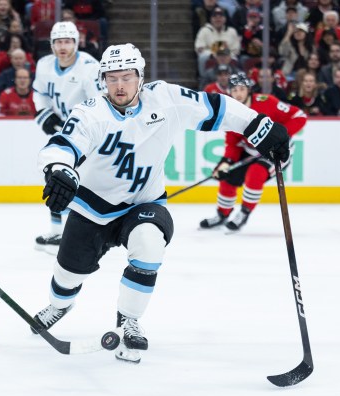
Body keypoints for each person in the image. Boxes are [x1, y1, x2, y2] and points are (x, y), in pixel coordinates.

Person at [31, 44, 291, 363]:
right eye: (112, 78)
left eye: (127, 77)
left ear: (141, 77)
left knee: (149, 244)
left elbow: (216, 107)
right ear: (102, 80)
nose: (120, 85)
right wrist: (59, 168)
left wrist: (258, 127)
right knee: (67, 276)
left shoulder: (166, 99)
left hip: (144, 203)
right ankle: (60, 305)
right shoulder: (90, 112)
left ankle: (129, 320)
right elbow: (63, 144)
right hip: (92, 207)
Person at [199, 72, 307, 232]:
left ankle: (244, 213)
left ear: (249, 90)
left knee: (255, 173)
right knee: (227, 176)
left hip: (276, 151)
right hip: (252, 151)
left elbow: (300, 116)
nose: (238, 93)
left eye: (242, 89)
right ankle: (222, 214)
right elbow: (233, 143)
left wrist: (279, 136)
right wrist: (226, 162)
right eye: (234, 90)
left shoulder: (267, 102)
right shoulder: (230, 112)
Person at [31, 21, 100, 254]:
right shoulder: (44, 65)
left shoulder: (90, 67)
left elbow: (98, 105)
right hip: (61, 133)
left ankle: (75, 233)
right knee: (55, 176)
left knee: (78, 182)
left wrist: (76, 127)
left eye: (68, 41)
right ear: (52, 44)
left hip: (85, 134)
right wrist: (44, 115)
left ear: (76, 43)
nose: (63, 46)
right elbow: (39, 93)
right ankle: (57, 229)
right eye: (58, 41)